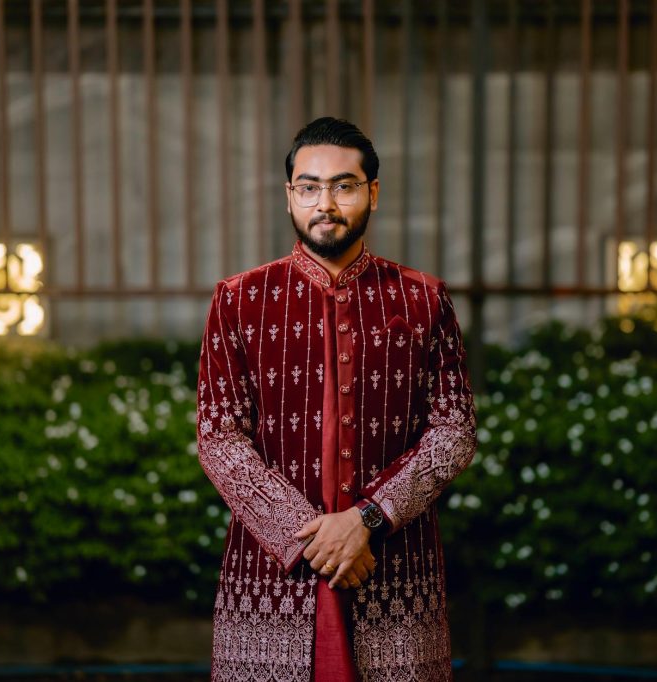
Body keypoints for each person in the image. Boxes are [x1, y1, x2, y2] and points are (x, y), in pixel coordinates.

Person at [196, 117, 477, 681]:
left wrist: (367, 519)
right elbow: (219, 437)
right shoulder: (240, 300)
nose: (325, 202)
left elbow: (454, 430)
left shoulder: (423, 299)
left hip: (394, 566)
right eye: (309, 187)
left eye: (344, 185)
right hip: (275, 573)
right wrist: (314, 537)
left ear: (373, 192)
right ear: (290, 195)